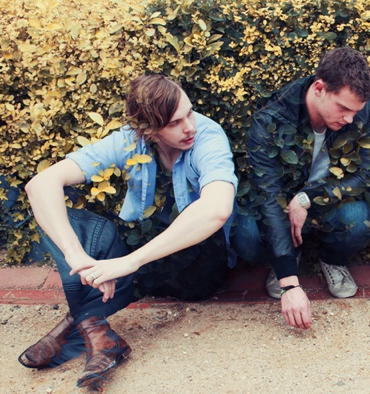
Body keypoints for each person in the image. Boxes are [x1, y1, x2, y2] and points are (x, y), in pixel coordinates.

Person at [19, 74, 239, 388]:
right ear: (147, 129)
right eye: (175, 123)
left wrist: (127, 263)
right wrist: (76, 256)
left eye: (189, 113)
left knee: (186, 227)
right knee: (61, 217)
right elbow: (40, 185)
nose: (189, 126)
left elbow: (217, 208)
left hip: (198, 262)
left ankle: (78, 324)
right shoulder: (129, 140)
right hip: (141, 250)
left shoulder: (207, 136)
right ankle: (98, 333)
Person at [234, 47, 370, 330]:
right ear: (319, 88)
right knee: (245, 234)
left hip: (323, 203)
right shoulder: (270, 120)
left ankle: (331, 260)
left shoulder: (360, 107)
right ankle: (287, 257)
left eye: (356, 111)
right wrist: (289, 283)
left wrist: (306, 198)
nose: (350, 119)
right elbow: (269, 196)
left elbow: (365, 173)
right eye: (344, 109)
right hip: (281, 206)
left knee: (358, 219)